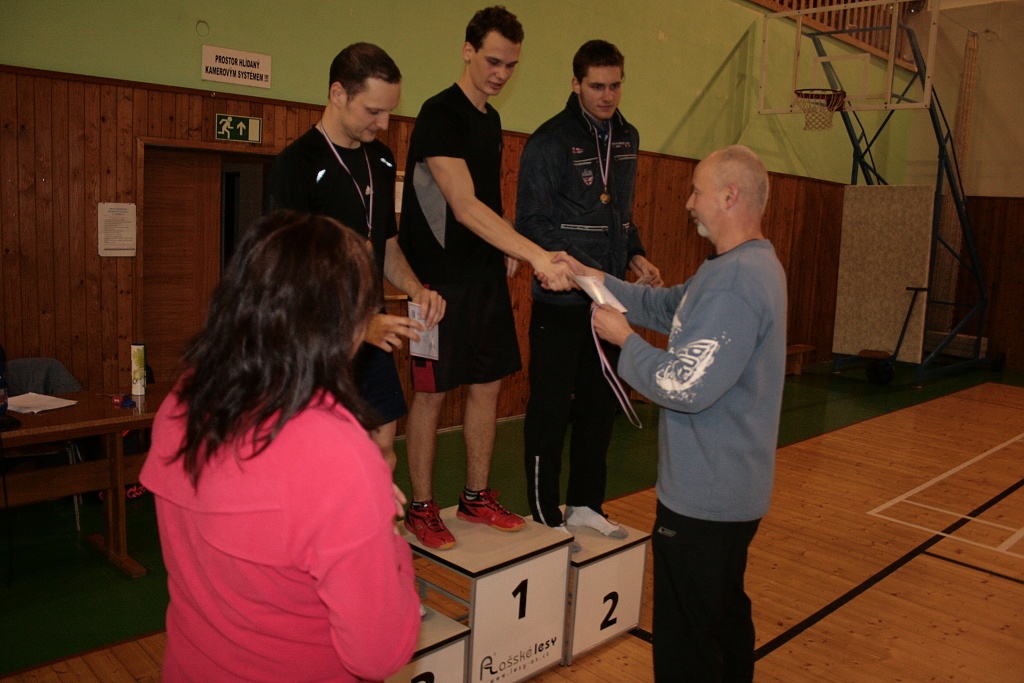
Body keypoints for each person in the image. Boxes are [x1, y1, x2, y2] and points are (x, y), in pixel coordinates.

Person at [139, 212, 420, 682]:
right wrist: (386, 535)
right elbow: (380, 654)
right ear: (346, 326)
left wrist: (356, 511)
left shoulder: (184, 400)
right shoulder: (339, 453)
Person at [555, 145, 786, 681]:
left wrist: (625, 340)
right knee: (722, 623)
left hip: (708, 498)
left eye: (696, 191)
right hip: (728, 491)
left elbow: (685, 385)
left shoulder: (738, 282)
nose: (688, 203)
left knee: (688, 647)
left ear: (729, 196)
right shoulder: (738, 267)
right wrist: (591, 277)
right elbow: (666, 306)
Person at [397, 6, 574, 550]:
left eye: (511, 65)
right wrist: (535, 253)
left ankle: (476, 496)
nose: (501, 73)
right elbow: (463, 204)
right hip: (434, 283)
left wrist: (505, 247)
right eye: (493, 61)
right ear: (468, 51)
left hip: (482, 277)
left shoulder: (491, 121)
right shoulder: (439, 114)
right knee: (430, 394)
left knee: (488, 384)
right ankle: (422, 507)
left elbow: (488, 201)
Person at [267, 42, 445, 471]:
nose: (384, 124)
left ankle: (378, 517)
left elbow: (385, 244)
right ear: (338, 94)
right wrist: (356, 326)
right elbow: (290, 277)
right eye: (374, 111)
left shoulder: (381, 159)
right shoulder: (295, 165)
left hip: (373, 332)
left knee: (382, 450)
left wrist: (416, 289)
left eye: (390, 112)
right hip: (318, 343)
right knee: (324, 462)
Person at [515, 39, 662, 544]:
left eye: (615, 85)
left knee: (600, 407)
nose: (607, 96)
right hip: (560, 300)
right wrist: (579, 270)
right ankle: (544, 512)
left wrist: (636, 253)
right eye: (597, 86)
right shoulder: (549, 141)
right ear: (576, 84)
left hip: (608, 303)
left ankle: (586, 505)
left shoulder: (627, 137)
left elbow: (620, 213)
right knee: (550, 408)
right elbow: (531, 223)